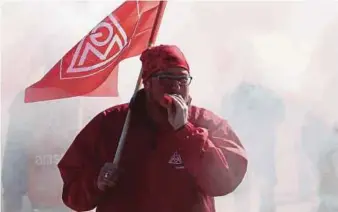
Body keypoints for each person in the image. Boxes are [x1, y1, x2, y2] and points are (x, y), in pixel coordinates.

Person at [57, 44, 248, 212]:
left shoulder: (206, 122)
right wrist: (96, 182)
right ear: (147, 83)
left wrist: (185, 132)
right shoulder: (112, 123)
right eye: (165, 78)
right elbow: (73, 196)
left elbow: (225, 182)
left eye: (182, 79)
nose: (176, 87)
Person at [2, 91, 79, 212]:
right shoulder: (26, 97)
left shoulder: (79, 98)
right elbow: (12, 159)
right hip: (37, 200)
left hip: (69, 198)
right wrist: (12, 201)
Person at [221, 82, 285, 212]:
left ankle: (263, 207)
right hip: (247, 143)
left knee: (264, 182)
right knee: (253, 183)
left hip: (256, 143)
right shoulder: (265, 95)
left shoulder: (265, 95)